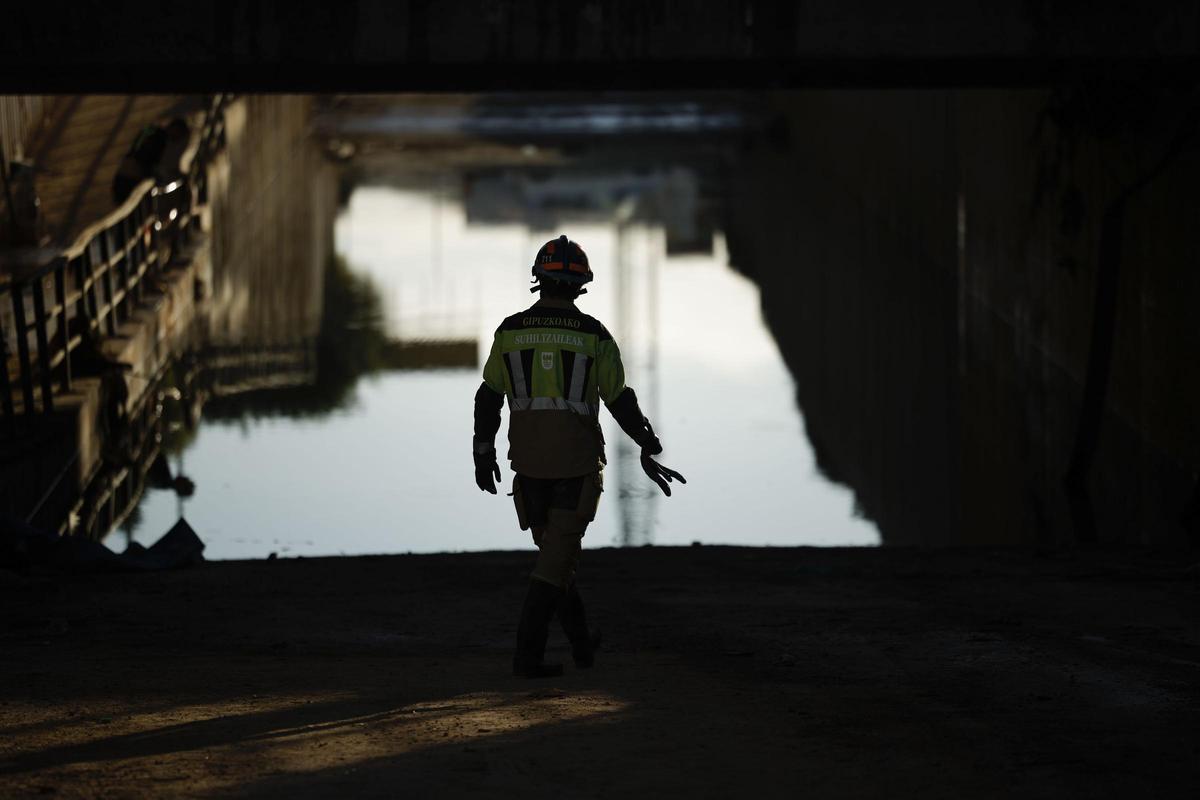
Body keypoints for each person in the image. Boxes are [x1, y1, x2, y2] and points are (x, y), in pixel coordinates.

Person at [473, 234, 686, 678]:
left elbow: (488, 396)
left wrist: (481, 451)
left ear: (538, 279)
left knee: (557, 559)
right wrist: (647, 441)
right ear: (582, 285)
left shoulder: (509, 331)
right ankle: (526, 657)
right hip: (577, 470)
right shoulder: (594, 336)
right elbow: (620, 399)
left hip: (527, 471)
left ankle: (582, 645)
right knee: (554, 565)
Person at [111, 118, 189, 205]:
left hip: (128, 174)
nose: (177, 138)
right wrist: (151, 173)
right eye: (179, 134)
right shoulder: (159, 137)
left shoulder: (154, 133)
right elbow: (145, 157)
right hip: (131, 176)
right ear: (175, 128)